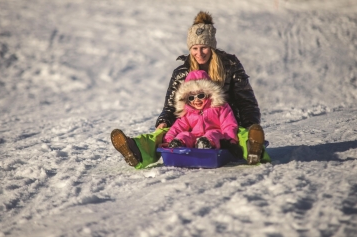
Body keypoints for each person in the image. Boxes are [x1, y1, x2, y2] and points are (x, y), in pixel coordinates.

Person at [110, 11, 271, 169]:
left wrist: (251, 126)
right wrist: (163, 120)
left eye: (204, 48)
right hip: (189, 124)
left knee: (239, 134)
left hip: (224, 123)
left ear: (211, 47)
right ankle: (136, 150)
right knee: (162, 134)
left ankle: (252, 148)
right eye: (194, 48)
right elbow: (171, 106)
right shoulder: (182, 73)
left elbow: (246, 101)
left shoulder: (230, 66)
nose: (199, 53)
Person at [163, 70, 239, 149]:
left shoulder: (220, 107)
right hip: (195, 139)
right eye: (191, 97)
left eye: (201, 95)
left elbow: (229, 125)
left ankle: (206, 144)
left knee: (212, 133)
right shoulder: (188, 112)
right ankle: (177, 144)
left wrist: (231, 142)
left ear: (209, 93)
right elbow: (177, 127)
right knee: (184, 134)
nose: (196, 100)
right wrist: (168, 140)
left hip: (216, 138)